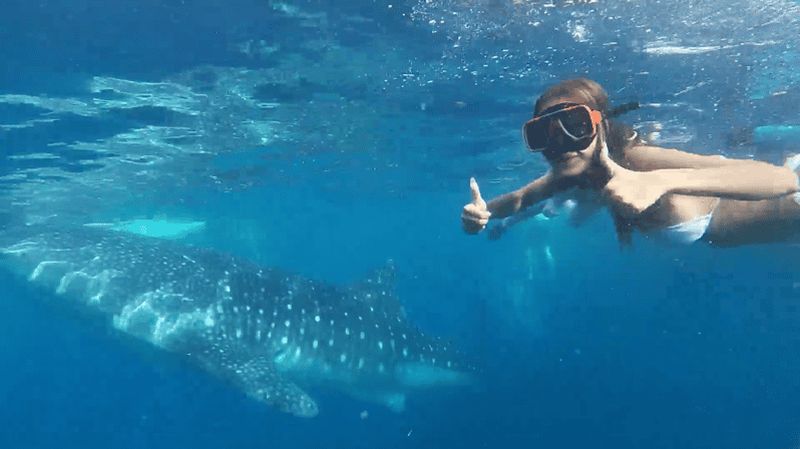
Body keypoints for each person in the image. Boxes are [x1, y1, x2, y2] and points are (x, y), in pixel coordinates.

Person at [462, 78, 800, 247]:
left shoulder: (639, 159)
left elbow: (783, 182)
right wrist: (483, 212)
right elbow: (520, 199)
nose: (560, 143)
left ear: (602, 126)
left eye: (575, 126)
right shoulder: (569, 175)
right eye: (543, 134)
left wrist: (662, 181)